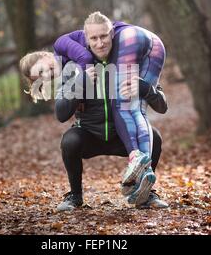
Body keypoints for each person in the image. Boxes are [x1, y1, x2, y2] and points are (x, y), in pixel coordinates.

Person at [19, 12, 167, 209]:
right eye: (94, 39)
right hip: (90, 134)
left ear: (112, 34)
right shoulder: (72, 67)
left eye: (103, 37)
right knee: (70, 141)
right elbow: (61, 114)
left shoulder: (129, 59)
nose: (99, 43)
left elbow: (162, 106)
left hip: (122, 137)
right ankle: (75, 196)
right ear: (86, 40)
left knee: (154, 137)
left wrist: (144, 88)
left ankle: (146, 194)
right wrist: (81, 83)